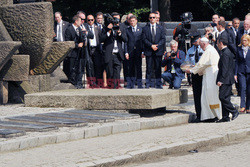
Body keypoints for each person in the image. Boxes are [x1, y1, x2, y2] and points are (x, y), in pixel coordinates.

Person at [186, 37, 222, 122]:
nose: (200, 47)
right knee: (209, 95)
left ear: (204, 44)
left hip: (210, 75)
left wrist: (191, 70)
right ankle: (211, 115)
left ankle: (212, 115)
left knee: (208, 95)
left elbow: (201, 64)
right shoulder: (211, 49)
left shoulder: (208, 51)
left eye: (201, 45)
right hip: (210, 73)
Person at [100, 13, 127, 89]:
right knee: (110, 72)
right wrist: (108, 31)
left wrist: (120, 34)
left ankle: (116, 88)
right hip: (109, 54)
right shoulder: (106, 27)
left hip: (118, 54)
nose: (116, 21)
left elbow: (125, 39)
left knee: (117, 73)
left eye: (118, 19)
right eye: (115, 19)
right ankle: (110, 88)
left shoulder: (121, 27)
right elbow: (101, 39)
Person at [216, 37, 239, 122]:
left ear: (221, 43)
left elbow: (225, 68)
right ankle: (225, 116)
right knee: (225, 97)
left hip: (226, 79)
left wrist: (221, 80)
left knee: (222, 97)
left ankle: (234, 111)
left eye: (218, 43)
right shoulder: (226, 52)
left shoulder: (225, 53)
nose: (217, 45)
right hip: (227, 79)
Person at [142, 12, 166, 89]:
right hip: (149, 50)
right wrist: (151, 45)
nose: (152, 19)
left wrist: (157, 46)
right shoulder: (145, 28)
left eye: (153, 17)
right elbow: (144, 39)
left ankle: (158, 84)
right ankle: (148, 84)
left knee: (158, 68)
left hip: (158, 51)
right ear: (149, 19)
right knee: (149, 68)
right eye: (150, 17)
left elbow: (163, 39)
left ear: (156, 19)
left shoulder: (161, 28)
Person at [185, 33, 203, 122]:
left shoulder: (204, 49)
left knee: (204, 95)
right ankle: (199, 114)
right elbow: (187, 61)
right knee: (196, 95)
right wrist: (186, 67)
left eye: (195, 41)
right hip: (194, 74)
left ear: (199, 39)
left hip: (203, 74)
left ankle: (205, 114)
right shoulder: (190, 50)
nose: (194, 43)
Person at [64, 15, 85, 89]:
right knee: (71, 68)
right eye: (79, 21)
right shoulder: (69, 29)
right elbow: (68, 41)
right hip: (72, 53)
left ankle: (77, 82)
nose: (81, 22)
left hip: (79, 53)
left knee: (78, 68)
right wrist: (77, 45)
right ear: (76, 21)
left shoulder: (80, 29)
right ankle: (71, 82)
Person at [124, 15, 143, 89]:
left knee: (138, 68)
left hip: (138, 51)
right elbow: (126, 42)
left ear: (136, 21)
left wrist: (142, 51)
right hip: (130, 51)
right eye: (131, 21)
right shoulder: (127, 30)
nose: (132, 22)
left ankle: (139, 83)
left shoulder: (140, 29)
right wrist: (126, 52)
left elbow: (142, 41)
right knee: (131, 68)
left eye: (133, 21)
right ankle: (131, 83)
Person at [86, 15, 103, 87]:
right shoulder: (85, 27)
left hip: (96, 49)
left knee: (97, 66)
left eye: (92, 20)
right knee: (90, 66)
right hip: (88, 48)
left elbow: (100, 38)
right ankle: (91, 82)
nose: (90, 21)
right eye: (89, 20)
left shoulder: (97, 28)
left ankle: (98, 82)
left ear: (94, 20)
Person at [235, 34, 250, 113]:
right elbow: (237, 61)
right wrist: (235, 73)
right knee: (243, 88)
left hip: (249, 71)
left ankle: (248, 106)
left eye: (245, 40)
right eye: (243, 40)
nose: (244, 42)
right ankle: (242, 106)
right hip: (241, 71)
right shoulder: (239, 49)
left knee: (249, 90)